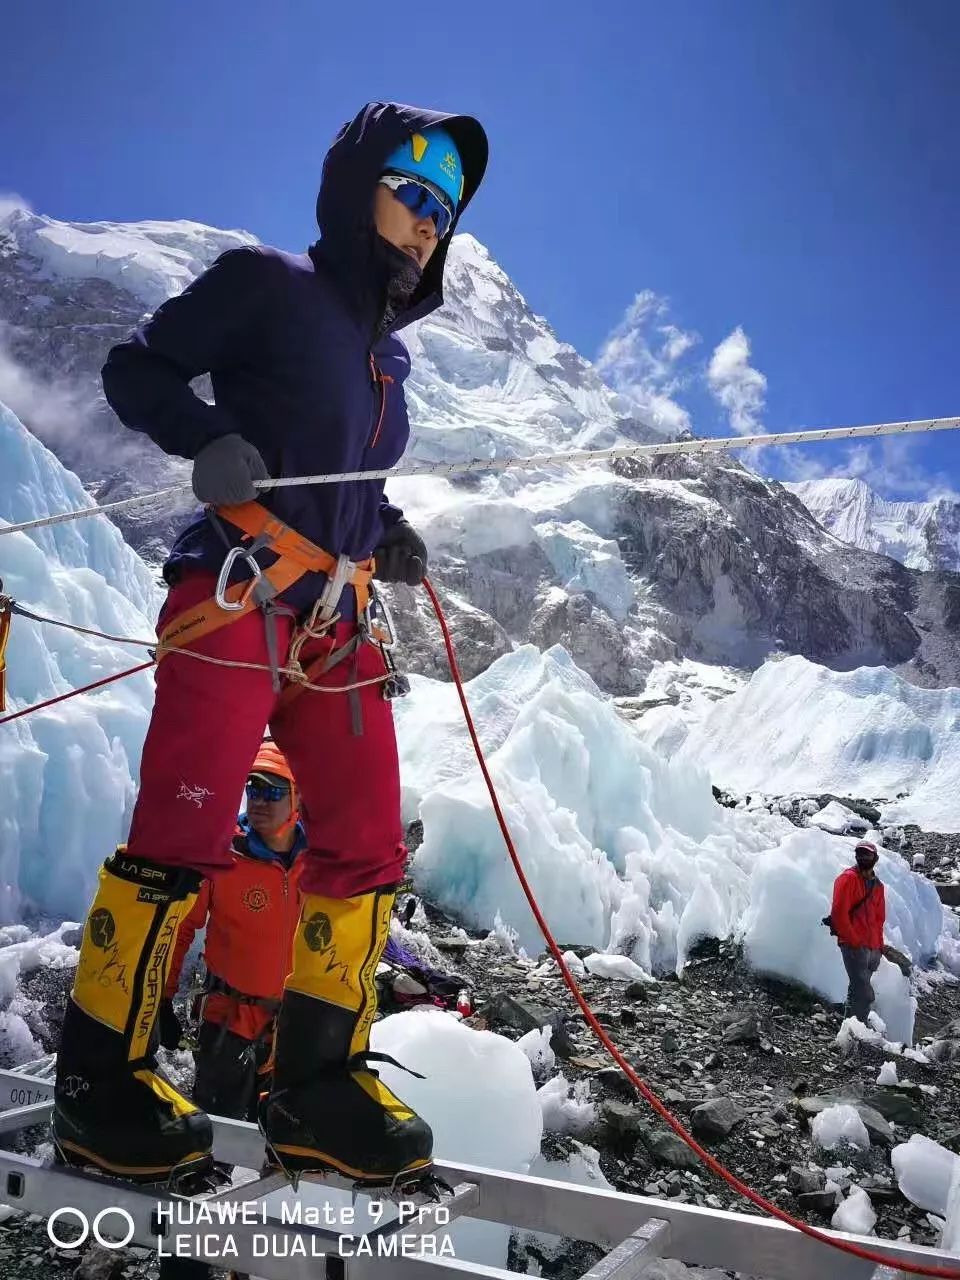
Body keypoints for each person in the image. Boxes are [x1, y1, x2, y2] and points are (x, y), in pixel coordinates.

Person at [52, 102, 488, 1189]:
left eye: (445, 208)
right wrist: (203, 440)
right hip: (238, 587)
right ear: (357, 188)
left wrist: (380, 531)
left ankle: (317, 1087)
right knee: (187, 827)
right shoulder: (266, 283)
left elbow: (345, 472)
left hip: (332, 617)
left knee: (367, 844)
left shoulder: (387, 360)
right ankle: (101, 1085)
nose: (430, 222)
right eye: (413, 193)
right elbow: (136, 368)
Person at [159, 741, 306, 1123]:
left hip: (294, 1026)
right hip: (229, 1021)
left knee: (282, 1145)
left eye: (273, 791)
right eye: (253, 789)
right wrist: (162, 997)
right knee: (218, 1136)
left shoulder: (318, 859)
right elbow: (181, 927)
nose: (259, 801)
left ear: (298, 796)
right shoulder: (223, 853)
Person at [829, 840, 887, 1024]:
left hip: (871, 948)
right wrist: (854, 941)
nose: (863, 857)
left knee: (856, 989)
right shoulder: (848, 879)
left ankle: (850, 1029)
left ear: (875, 858)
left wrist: (878, 947)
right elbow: (839, 913)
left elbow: (879, 918)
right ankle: (857, 1030)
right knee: (865, 993)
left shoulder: (878, 886)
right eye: (860, 854)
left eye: (867, 854)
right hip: (854, 946)